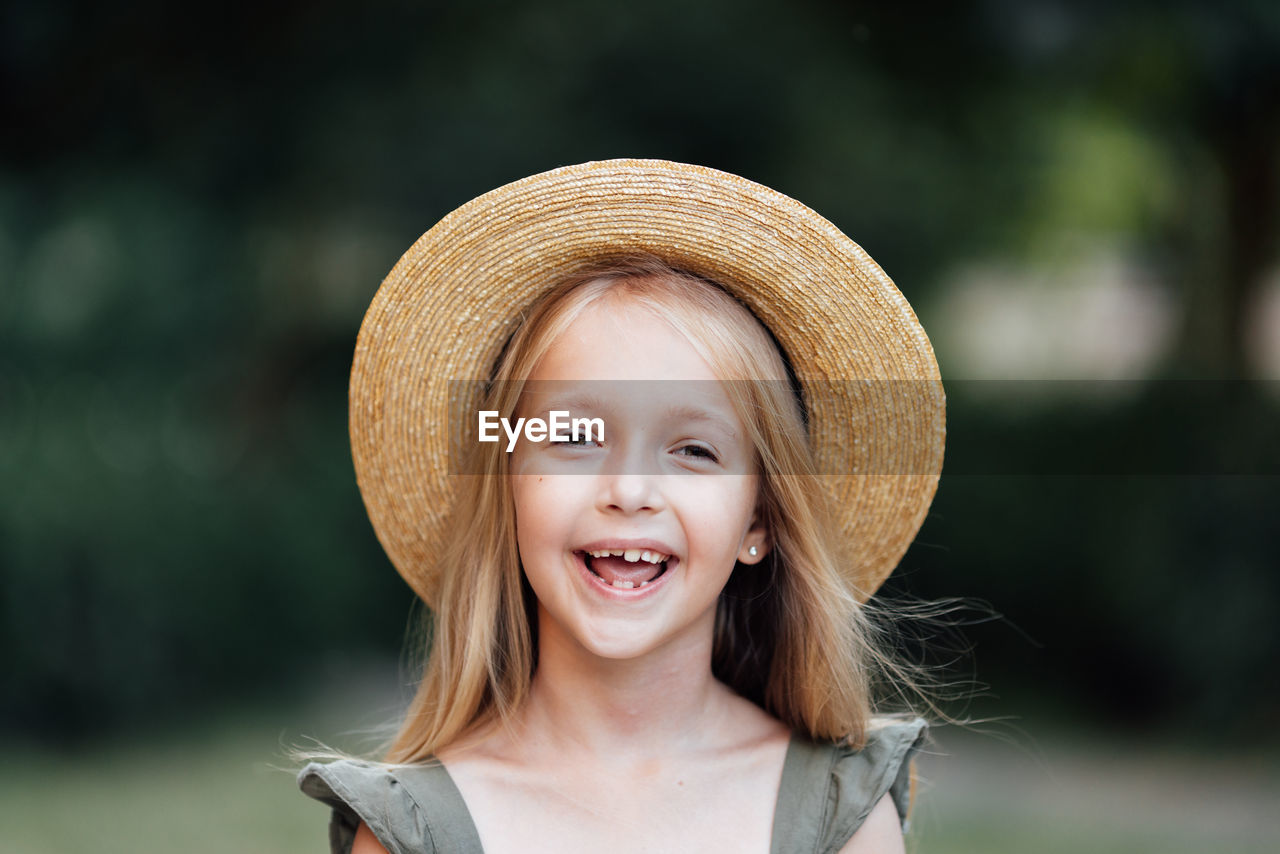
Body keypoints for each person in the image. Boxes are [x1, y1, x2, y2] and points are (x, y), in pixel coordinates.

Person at [297, 160, 946, 853]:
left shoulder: (837, 812)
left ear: (758, 523)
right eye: (575, 437)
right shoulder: (412, 830)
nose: (630, 491)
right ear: (508, 488)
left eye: (694, 450)